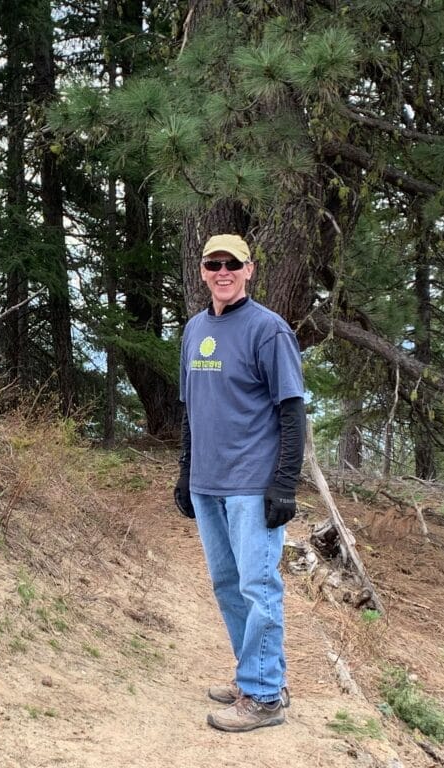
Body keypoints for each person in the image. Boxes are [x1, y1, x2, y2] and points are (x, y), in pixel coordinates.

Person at [174, 233, 306, 732]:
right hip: (208, 483)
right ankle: (256, 676)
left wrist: (285, 484)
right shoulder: (193, 330)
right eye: (214, 263)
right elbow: (189, 409)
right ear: (202, 271)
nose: (223, 271)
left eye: (233, 263)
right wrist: (186, 473)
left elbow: (292, 412)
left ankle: (266, 698)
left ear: (250, 270)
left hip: (254, 483)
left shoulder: (268, 330)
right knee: (226, 583)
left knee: (258, 585)